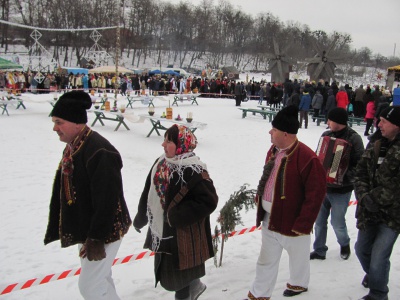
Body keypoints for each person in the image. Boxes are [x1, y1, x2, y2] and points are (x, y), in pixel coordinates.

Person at [44, 91, 131, 300]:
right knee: (100, 279)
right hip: (90, 230)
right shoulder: (75, 145)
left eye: (59, 122)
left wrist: (96, 238)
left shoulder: (99, 151)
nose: (54, 127)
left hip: (105, 231)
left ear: (76, 122)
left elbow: (107, 200)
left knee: (90, 285)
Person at [247, 106, 326, 300]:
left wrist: (303, 224)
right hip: (270, 220)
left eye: (273, 129)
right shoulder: (273, 151)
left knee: (298, 260)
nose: (270, 132)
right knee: (266, 261)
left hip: (294, 223)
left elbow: (315, 194)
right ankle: (259, 294)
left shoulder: (308, 158)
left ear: (285, 133)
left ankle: (299, 284)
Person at [133, 125, 218, 300]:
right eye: (164, 139)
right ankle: (194, 286)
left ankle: (190, 291)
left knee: (179, 280)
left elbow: (208, 201)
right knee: (170, 275)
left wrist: (176, 217)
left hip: (183, 236)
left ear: (182, 145)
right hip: (163, 232)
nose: (163, 144)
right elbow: (148, 191)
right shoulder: (161, 163)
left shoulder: (193, 170)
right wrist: (141, 216)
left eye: (169, 141)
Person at [354, 106, 400, 300]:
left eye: (383, 121)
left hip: (393, 215)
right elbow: (360, 173)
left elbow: (395, 185)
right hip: (368, 211)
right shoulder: (375, 143)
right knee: (362, 250)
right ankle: (375, 275)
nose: (378, 124)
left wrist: (374, 198)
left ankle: (379, 293)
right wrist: (364, 197)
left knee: (379, 256)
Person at [310, 108, 364, 261]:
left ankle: (344, 244)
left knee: (337, 222)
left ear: (338, 122)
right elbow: (318, 155)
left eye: (330, 120)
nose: (327, 123)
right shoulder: (326, 135)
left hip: (342, 190)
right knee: (319, 222)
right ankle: (319, 250)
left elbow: (360, 165)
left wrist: (341, 175)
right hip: (323, 188)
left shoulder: (354, 138)